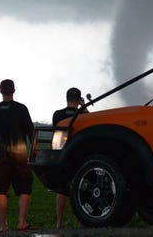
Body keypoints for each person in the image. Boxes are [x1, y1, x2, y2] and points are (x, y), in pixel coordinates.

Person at [0, 79, 34, 232]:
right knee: (25, 189)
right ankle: (21, 222)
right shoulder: (21, 109)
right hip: (21, 156)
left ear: (0, 91)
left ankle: (3, 225)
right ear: (14, 90)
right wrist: (34, 153)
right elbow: (31, 133)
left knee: (1, 190)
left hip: (1, 156)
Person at [52, 87, 87, 228]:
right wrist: (84, 107)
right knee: (80, 188)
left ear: (66, 98)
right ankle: (81, 222)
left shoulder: (57, 114)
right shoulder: (83, 114)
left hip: (62, 154)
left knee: (62, 189)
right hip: (79, 154)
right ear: (78, 100)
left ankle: (59, 223)